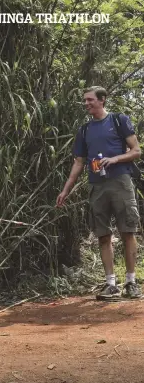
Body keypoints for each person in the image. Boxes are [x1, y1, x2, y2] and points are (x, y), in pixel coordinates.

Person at [57, 86, 142, 301]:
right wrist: (66, 189)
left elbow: (136, 150)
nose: (86, 104)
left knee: (127, 232)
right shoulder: (84, 130)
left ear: (102, 100)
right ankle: (110, 284)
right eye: (85, 100)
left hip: (121, 182)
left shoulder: (118, 120)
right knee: (103, 235)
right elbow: (78, 162)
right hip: (97, 186)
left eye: (90, 100)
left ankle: (131, 282)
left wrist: (114, 159)